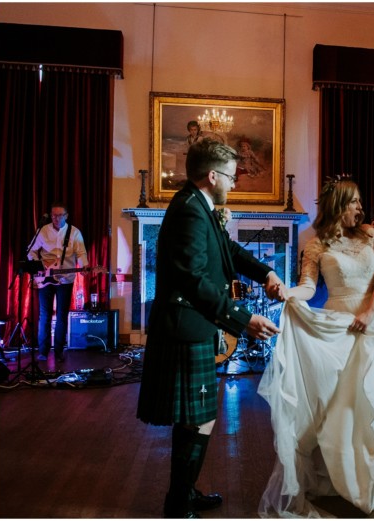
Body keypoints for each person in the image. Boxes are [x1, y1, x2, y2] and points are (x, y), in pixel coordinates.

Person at [258, 178, 374, 516]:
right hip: (338, 325)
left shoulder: (369, 234)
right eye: (354, 201)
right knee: (340, 398)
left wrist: (370, 310)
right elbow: (308, 288)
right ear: (339, 205)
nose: (360, 207)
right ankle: (340, 469)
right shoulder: (316, 245)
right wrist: (286, 293)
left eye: (359, 201)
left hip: (372, 319)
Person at [136, 139, 286, 518]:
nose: (234, 184)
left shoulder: (200, 206)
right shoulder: (189, 211)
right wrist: (243, 319)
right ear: (212, 175)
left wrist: (265, 271)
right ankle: (178, 504)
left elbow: (229, 251)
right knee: (197, 417)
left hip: (194, 325)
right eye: (232, 177)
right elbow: (193, 280)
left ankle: (184, 494)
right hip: (185, 328)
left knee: (198, 417)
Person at [26, 202, 89, 363]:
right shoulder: (43, 230)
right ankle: (43, 351)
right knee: (44, 315)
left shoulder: (74, 232)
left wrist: (84, 266)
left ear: (66, 216)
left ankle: (59, 350)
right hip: (45, 278)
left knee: (62, 315)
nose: (56, 218)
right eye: (53, 215)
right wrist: (39, 266)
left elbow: (81, 253)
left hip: (65, 279)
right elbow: (31, 251)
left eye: (59, 215)